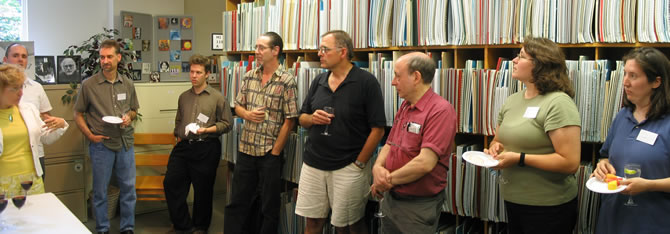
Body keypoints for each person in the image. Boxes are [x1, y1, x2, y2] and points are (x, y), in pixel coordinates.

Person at [483, 37, 581, 234]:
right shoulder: (511, 101)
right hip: (513, 199)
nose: (514, 61)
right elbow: (498, 139)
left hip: (548, 206)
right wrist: (495, 147)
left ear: (540, 64)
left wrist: (520, 159)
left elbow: (569, 162)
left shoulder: (558, 103)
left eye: (521, 56)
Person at [295, 30, 386, 234]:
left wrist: (359, 164)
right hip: (313, 165)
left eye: (325, 49)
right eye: (320, 49)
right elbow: (302, 118)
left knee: (348, 225)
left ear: (343, 51)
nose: (319, 53)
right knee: (312, 223)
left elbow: (378, 129)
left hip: (348, 166)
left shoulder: (366, 82)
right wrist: (312, 118)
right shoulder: (318, 81)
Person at [370, 52, 457, 233]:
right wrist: (377, 168)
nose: (393, 82)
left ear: (416, 77)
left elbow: (425, 163)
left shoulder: (440, 111)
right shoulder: (405, 105)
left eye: (397, 76)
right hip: (392, 197)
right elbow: (390, 144)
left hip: (417, 206)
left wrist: (386, 180)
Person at [224, 32, 298, 234]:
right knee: (238, 201)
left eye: (261, 48)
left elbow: (290, 120)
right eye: (256, 47)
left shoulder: (287, 81)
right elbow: (237, 106)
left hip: (269, 153)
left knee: (269, 206)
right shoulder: (249, 76)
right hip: (246, 149)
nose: (256, 52)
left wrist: (275, 152)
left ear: (275, 51)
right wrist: (246, 114)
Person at [592, 47, 670, 233]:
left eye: (633, 76)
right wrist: (602, 166)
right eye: (624, 74)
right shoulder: (622, 116)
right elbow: (606, 156)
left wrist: (650, 185)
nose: (625, 82)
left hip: (653, 222)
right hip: (613, 218)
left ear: (656, 82)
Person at [74, 39, 139, 234]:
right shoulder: (89, 85)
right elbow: (77, 114)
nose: (105, 61)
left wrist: (129, 117)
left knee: (128, 189)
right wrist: (90, 136)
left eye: (109, 56)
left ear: (118, 57)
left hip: (125, 143)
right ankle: (102, 228)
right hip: (101, 145)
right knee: (100, 191)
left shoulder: (127, 83)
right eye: (102, 57)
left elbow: (134, 109)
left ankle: (127, 227)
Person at [163, 54, 232, 234]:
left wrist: (207, 130)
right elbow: (179, 120)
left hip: (206, 147)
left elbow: (227, 124)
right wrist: (178, 135)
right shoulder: (183, 97)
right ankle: (182, 225)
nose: (194, 75)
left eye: (198, 72)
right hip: (184, 147)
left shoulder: (217, 98)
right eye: (192, 72)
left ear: (207, 74)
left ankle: (200, 227)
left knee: (203, 190)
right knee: (171, 183)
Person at [0, 64, 68, 197]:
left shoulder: (28, 109)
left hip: (31, 178)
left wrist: (60, 124)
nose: (20, 93)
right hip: (3, 181)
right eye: (14, 89)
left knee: (35, 215)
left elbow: (45, 137)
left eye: (21, 87)